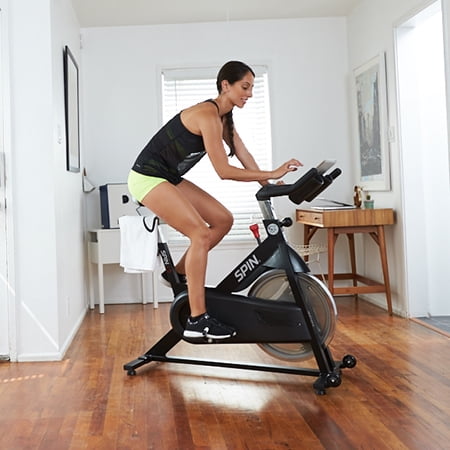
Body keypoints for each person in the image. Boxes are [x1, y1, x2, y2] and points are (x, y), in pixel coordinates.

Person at [127, 61, 302, 340]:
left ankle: (179, 273)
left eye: (251, 88)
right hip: (146, 177)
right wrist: (271, 172)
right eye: (245, 87)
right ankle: (198, 320)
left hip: (167, 176)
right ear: (225, 85)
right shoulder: (207, 115)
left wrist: (268, 183)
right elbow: (224, 171)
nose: (250, 94)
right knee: (199, 233)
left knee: (223, 220)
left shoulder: (224, 118)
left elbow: (241, 153)